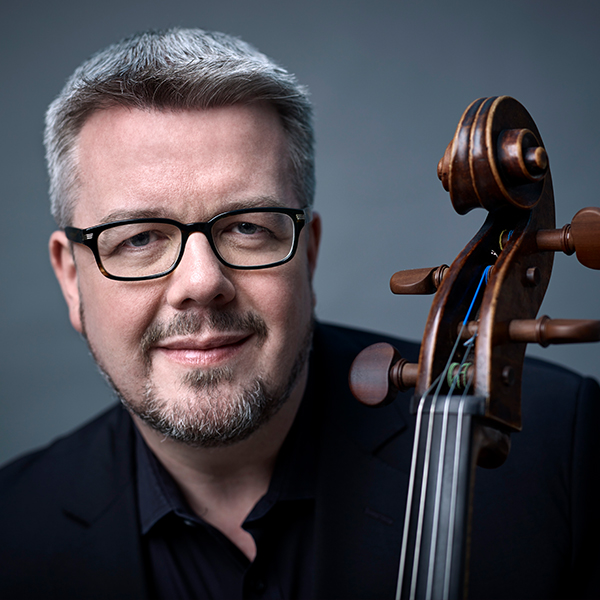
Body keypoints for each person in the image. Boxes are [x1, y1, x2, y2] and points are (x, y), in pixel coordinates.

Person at [0, 28, 598, 600]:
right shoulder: (13, 529)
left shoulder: (559, 452)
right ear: (71, 278)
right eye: (138, 239)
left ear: (307, 254)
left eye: (248, 228)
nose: (202, 283)